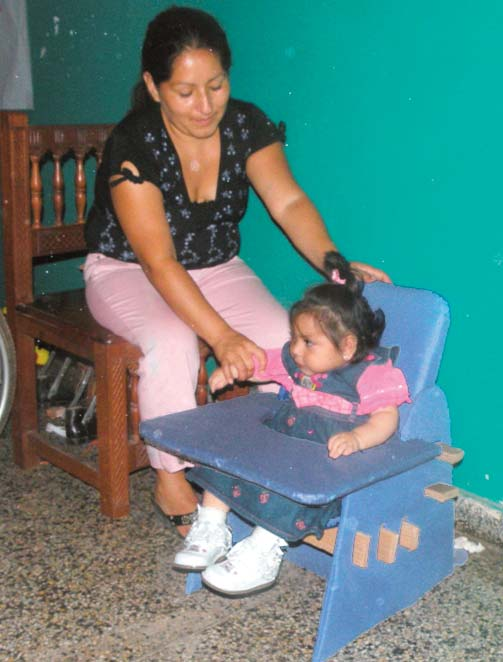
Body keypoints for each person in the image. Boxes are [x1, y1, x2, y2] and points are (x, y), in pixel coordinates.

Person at [83, 6, 390, 536]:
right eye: (185, 92)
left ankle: (267, 462)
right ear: (154, 87)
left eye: (217, 86)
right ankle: (172, 475)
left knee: (282, 340)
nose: (205, 106)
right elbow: (159, 263)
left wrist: (333, 261)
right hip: (127, 271)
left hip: (216, 265)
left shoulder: (247, 124)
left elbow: (289, 202)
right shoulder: (133, 145)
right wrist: (221, 336)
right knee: (172, 340)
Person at [173, 252, 410, 595]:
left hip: (324, 460)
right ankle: (211, 526)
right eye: (295, 337)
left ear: (347, 347)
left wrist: (358, 438)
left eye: (308, 342)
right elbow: (259, 363)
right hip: (281, 440)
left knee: (291, 491)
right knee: (230, 458)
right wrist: (235, 370)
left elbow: (388, 416)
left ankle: (263, 548)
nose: (296, 350)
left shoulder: (371, 373)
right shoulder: (295, 361)